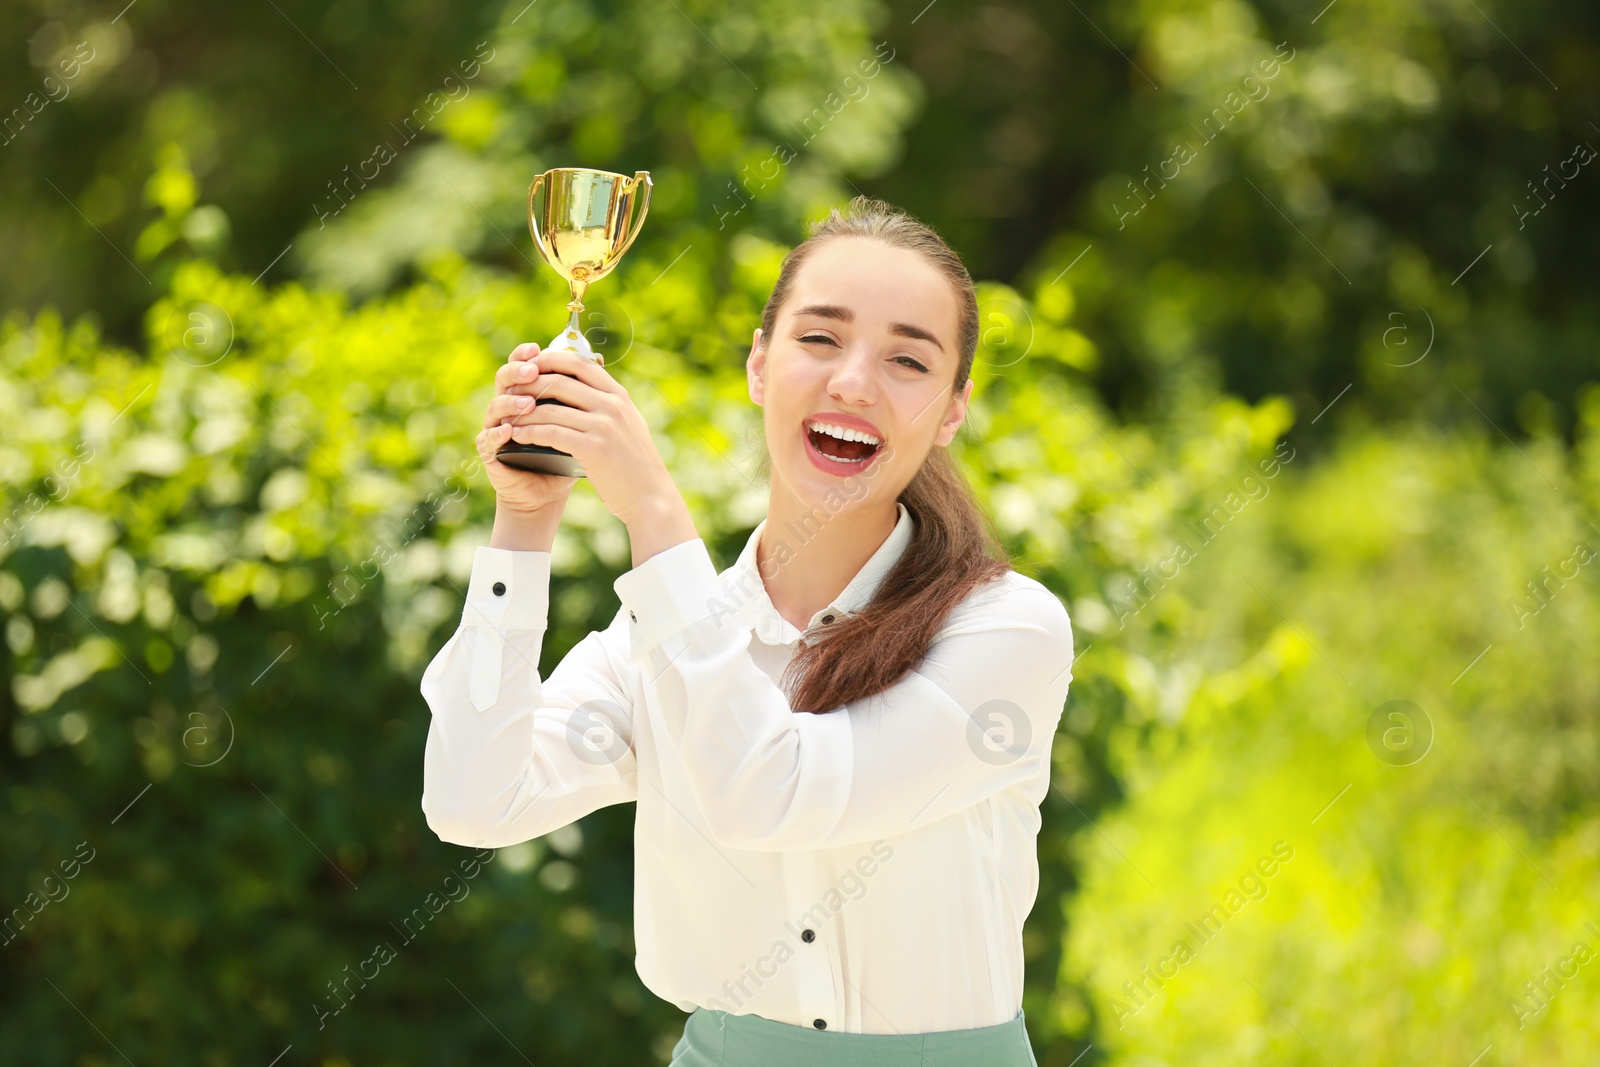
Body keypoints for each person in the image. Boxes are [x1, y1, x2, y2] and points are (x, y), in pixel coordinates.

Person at [419, 195, 1074, 1067]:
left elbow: (775, 792)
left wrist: (651, 506)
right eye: (819, 338)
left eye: (908, 360)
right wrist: (525, 522)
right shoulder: (655, 640)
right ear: (759, 365)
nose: (853, 382)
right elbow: (472, 800)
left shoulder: (1006, 629)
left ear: (953, 410)